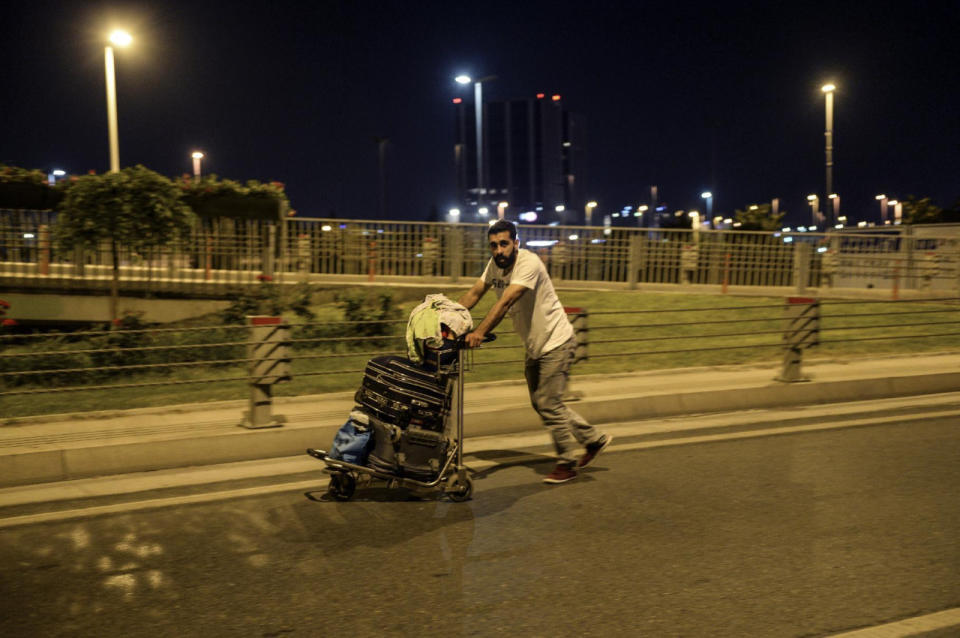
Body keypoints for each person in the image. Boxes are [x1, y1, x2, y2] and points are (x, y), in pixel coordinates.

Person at [459, 219, 611, 484]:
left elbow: (506, 301)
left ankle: (567, 462)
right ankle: (593, 439)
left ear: (516, 243)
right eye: (493, 245)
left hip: (557, 343)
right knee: (543, 404)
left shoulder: (528, 263)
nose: (498, 250)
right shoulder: (494, 265)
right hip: (534, 346)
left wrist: (479, 332)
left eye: (504, 244)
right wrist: (447, 317)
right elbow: (474, 293)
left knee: (548, 404)